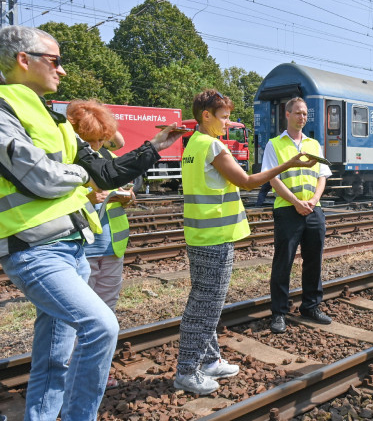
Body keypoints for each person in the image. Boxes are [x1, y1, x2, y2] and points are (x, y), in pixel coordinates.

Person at [0, 25, 182, 421]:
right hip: (34, 250)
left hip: (72, 249)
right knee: (102, 327)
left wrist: (156, 146)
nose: (62, 71)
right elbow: (41, 177)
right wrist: (81, 175)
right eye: (55, 60)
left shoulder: (55, 120)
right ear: (22, 60)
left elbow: (106, 170)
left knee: (53, 356)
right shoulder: (1, 111)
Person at [175, 89, 315, 395]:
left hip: (200, 234)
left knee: (205, 301)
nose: (227, 124)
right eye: (223, 117)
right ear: (206, 116)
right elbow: (249, 181)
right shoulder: (213, 147)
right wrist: (288, 164)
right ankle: (187, 370)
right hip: (215, 236)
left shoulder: (191, 145)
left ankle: (210, 360)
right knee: (205, 307)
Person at [67, 100, 135, 389]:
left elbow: (119, 141)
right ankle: (72, 375)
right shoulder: (66, 158)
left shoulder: (106, 156)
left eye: (100, 139)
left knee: (105, 315)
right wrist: (85, 196)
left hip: (111, 248)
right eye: (91, 140)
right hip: (79, 249)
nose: (96, 146)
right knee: (75, 318)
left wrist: (128, 198)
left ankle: (96, 374)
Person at [263, 97, 333, 335]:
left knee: (314, 260)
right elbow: (273, 178)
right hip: (287, 210)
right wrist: (295, 202)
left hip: (314, 209)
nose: (302, 117)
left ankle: (311, 306)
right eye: (298, 113)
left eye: (304, 114)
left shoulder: (314, 144)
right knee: (284, 262)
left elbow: (322, 175)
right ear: (287, 114)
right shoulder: (274, 144)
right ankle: (279, 313)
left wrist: (313, 201)